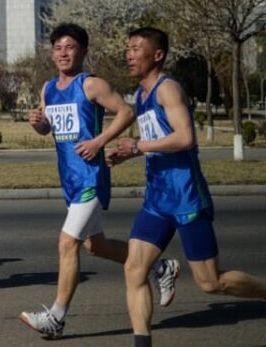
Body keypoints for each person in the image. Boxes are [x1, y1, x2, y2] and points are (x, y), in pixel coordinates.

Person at [108, 27, 266, 347]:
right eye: (128, 48)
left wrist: (137, 146)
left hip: (187, 197)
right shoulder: (140, 95)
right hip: (157, 200)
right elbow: (158, 141)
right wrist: (127, 155)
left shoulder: (168, 90)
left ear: (158, 55)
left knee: (211, 283)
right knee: (134, 271)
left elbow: (184, 137)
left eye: (137, 48)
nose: (129, 54)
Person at [19, 24, 180, 338]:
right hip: (69, 178)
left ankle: (56, 318)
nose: (63, 53)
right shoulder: (48, 88)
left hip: (91, 176)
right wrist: (38, 123)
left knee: (67, 244)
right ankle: (162, 268)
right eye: (58, 48)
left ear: (83, 51)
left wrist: (99, 141)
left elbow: (125, 112)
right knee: (97, 246)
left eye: (70, 47)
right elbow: (49, 129)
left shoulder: (91, 84)